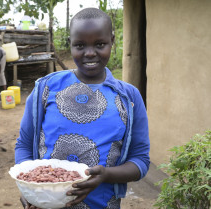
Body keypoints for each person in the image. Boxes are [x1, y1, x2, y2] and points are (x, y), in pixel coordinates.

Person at [14, 7, 150, 209]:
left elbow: (140, 160)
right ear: (69, 44)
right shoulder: (46, 88)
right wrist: (29, 189)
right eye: (79, 45)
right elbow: (24, 145)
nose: (89, 53)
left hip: (102, 204)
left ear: (112, 40)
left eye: (100, 44)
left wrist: (106, 175)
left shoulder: (128, 97)